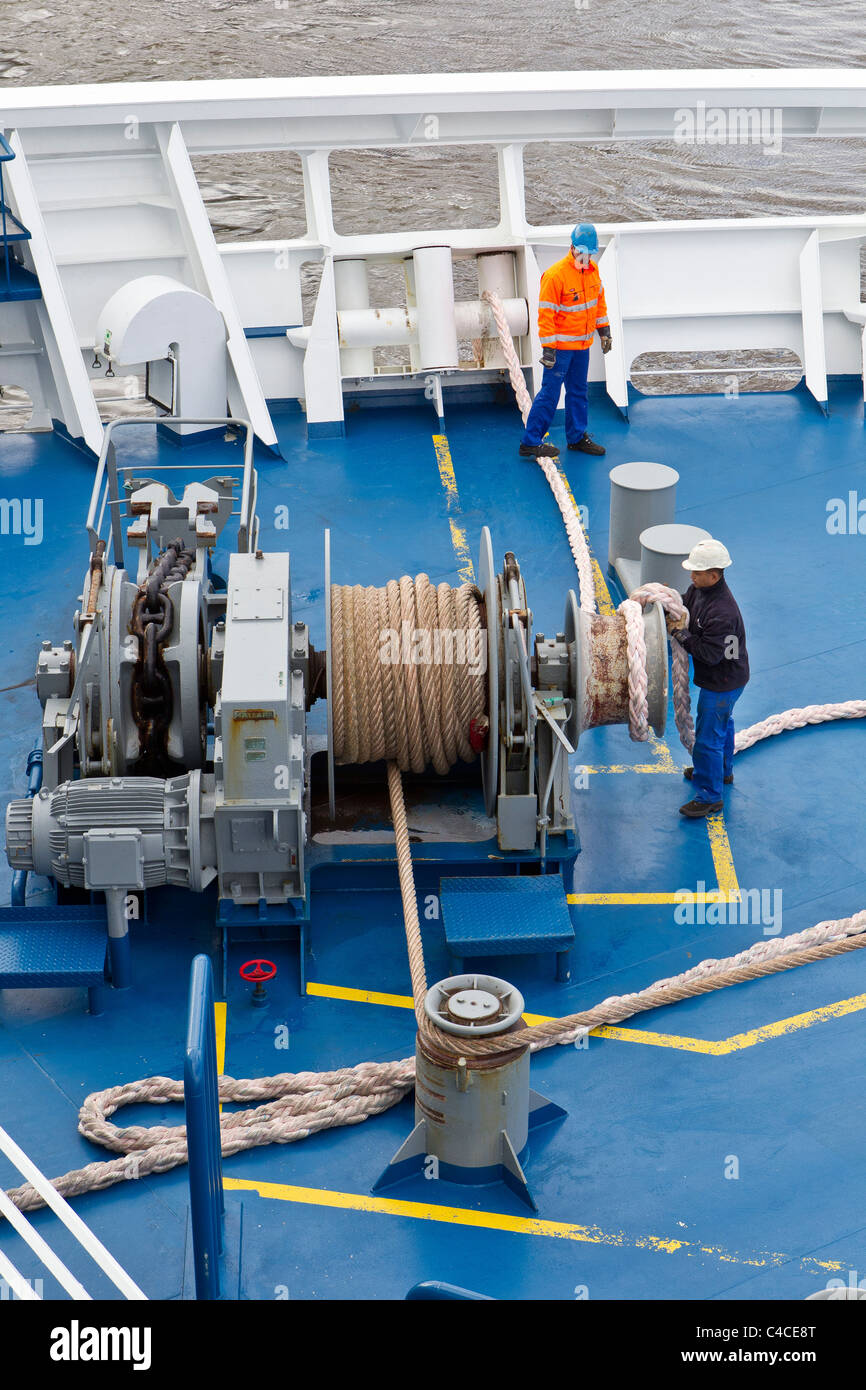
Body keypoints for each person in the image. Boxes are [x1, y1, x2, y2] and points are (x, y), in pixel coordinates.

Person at [519, 222, 612, 461]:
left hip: (581, 347)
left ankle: (577, 437)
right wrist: (548, 350)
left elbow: (598, 303)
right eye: (582, 251)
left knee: (579, 392)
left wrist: (605, 331)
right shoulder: (555, 276)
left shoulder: (593, 271)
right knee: (550, 394)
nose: (586, 256)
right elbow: (546, 315)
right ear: (572, 247)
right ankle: (530, 442)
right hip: (560, 350)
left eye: (589, 253)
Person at [672, 538, 750, 819]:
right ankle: (722, 772)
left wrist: (680, 634)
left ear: (714, 576)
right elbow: (685, 603)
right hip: (728, 678)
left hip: (724, 683)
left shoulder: (723, 612)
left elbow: (710, 654)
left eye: (697, 573)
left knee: (708, 739)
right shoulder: (699, 590)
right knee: (722, 726)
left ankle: (709, 795)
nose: (691, 577)